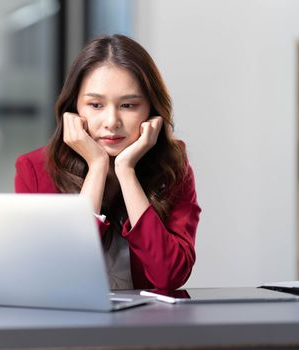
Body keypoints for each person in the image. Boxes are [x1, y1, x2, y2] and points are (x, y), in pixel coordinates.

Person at [14, 34, 201, 290]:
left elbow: (169, 276)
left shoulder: (172, 166)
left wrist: (126, 171)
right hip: (68, 326)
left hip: (146, 326)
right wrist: (97, 167)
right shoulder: (33, 170)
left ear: (151, 111)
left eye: (128, 105)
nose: (111, 121)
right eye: (95, 105)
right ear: (74, 109)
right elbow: (62, 276)